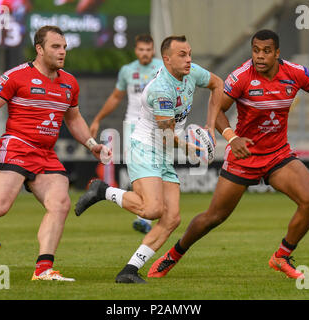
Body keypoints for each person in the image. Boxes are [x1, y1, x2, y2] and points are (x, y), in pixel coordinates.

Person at [149, 29, 309, 280]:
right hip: (244, 155)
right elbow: (217, 108)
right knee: (213, 217)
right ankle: (173, 255)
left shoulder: (295, 73)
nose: (260, 56)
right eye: (255, 51)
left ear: (277, 53)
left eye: (266, 51)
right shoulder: (241, 76)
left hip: (277, 155)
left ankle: (281, 256)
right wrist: (231, 137)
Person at [0, 26, 110, 281]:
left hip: (45, 154)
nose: (62, 52)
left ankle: (43, 269)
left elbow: (74, 118)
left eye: (64, 47)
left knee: (60, 204)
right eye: (55, 47)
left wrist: (92, 144)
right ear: (39, 49)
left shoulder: (69, 82)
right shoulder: (17, 76)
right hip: (16, 146)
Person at [75, 35, 223, 283]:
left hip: (164, 150)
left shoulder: (192, 72)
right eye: (182, 55)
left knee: (172, 218)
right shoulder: (160, 90)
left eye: (189, 53)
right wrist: (193, 149)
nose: (189, 60)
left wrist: (209, 126)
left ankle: (129, 271)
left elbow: (218, 84)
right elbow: (167, 135)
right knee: (152, 209)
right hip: (144, 147)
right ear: (166, 59)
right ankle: (102, 191)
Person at [89, 34, 164, 234]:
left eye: (148, 50)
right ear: (136, 50)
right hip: (133, 127)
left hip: (157, 126)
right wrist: (97, 118)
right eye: (141, 50)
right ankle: (143, 216)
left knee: (157, 170)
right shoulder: (128, 71)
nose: (145, 53)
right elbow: (115, 97)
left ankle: (145, 213)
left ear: (153, 50)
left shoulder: (162, 68)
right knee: (139, 173)